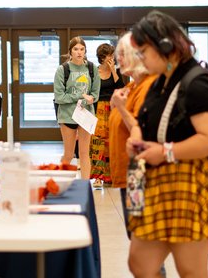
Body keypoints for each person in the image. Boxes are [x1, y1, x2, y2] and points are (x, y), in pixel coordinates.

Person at [126, 10, 208, 277]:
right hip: (159, 181)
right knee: (140, 263)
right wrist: (139, 141)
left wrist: (165, 152)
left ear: (165, 46)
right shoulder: (162, 82)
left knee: (191, 270)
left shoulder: (197, 83)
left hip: (189, 183)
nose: (139, 59)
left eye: (143, 52)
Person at [108, 33, 156, 234]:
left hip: (139, 173)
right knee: (136, 234)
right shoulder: (130, 86)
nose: (118, 59)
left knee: (142, 236)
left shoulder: (148, 88)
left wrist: (121, 108)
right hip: (127, 172)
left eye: (123, 54)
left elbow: (142, 131)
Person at [53, 36, 100, 181]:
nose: (79, 52)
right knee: (68, 154)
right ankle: (61, 184)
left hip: (85, 115)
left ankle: (85, 185)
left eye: (82, 49)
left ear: (85, 51)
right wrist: (80, 96)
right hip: (67, 116)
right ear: (70, 52)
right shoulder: (63, 70)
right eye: (76, 49)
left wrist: (89, 99)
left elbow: (95, 94)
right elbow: (59, 97)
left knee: (84, 153)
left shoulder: (92, 68)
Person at [90, 43, 125, 188]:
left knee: (111, 142)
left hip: (112, 109)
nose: (112, 58)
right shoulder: (94, 72)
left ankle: (110, 176)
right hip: (98, 109)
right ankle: (97, 176)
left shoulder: (115, 71)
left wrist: (114, 71)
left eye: (112, 55)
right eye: (109, 56)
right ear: (102, 58)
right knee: (97, 143)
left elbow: (121, 88)